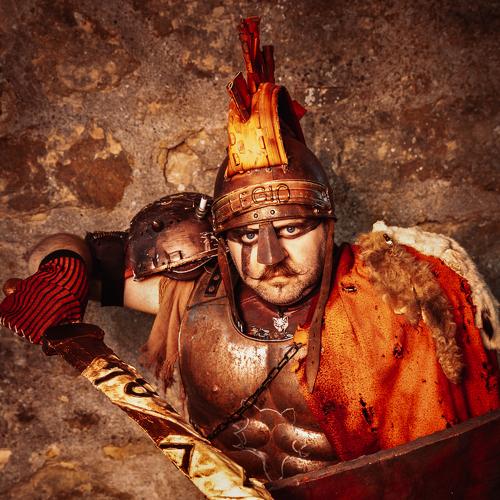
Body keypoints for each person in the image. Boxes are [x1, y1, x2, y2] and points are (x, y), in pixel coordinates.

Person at [1, 17, 499, 483]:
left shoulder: (394, 300)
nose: (268, 256)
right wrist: (61, 271)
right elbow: (63, 246)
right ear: (222, 240)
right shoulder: (193, 296)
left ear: (327, 227)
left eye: (290, 228)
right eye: (245, 236)